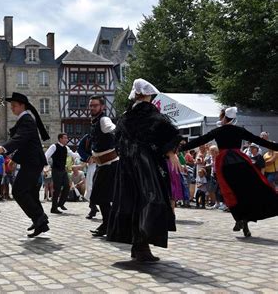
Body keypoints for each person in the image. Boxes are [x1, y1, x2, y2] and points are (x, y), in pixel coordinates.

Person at [107, 79, 182, 262]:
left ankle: (138, 246)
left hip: (126, 166)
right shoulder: (150, 113)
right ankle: (141, 247)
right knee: (149, 201)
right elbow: (170, 132)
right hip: (145, 164)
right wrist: (170, 152)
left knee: (131, 202)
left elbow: (117, 139)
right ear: (147, 94)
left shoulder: (125, 116)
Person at [181, 107, 278, 237]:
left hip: (225, 165)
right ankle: (244, 221)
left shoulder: (218, 131)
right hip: (241, 162)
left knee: (230, 193)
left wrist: (180, 148)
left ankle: (239, 219)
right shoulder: (239, 130)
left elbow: (200, 140)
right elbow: (258, 140)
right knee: (244, 192)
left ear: (224, 117)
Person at [0, 92, 50, 238]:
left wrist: (3, 149)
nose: (12, 108)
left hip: (32, 162)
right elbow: (24, 144)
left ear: (22, 105)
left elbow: (20, 139)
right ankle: (40, 221)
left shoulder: (27, 120)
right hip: (31, 161)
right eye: (11, 105)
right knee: (29, 192)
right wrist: (14, 159)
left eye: (14, 105)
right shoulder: (25, 119)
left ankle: (39, 218)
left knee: (18, 191)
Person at [88, 95, 118, 237]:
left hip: (110, 165)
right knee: (100, 197)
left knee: (102, 197)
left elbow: (111, 128)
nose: (92, 108)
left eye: (95, 105)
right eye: (91, 105)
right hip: (102, 165)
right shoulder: (94, 121)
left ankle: (108, 224)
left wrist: (116, 129)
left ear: (102, 107)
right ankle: (108, 224)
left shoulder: (103, 119)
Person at [44, 133, 80, 213]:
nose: (67, 140)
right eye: (65, 138)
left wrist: (84, 154)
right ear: (60, 139)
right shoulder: (54, 146)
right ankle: (53, 208)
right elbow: (46, 156)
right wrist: (47, 167)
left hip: (63, 170)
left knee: (67, 186)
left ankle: (60, 203)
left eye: (67, 138)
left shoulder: (66, 148)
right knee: (57, 189)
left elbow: (74, 155)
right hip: (56, 170)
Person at [77, 133, 99, 219]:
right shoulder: (88, 137)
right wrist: (88, 157)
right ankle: (92, 207)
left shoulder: (109, 134)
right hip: (93, 165)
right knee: (90, 187)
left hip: (107, 164)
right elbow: (80, 149)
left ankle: (107, 212)